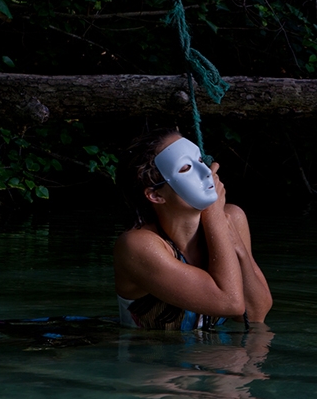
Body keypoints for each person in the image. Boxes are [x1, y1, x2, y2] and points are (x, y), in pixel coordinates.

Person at [114, 128, 273, 331]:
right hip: (148, 351)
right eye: (186, 168)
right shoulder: (138, 245)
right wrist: (214, 214)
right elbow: (230, 303)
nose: (206, 172)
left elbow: (255, 315)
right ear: (156, 195)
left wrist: (237, 246)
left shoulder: (232, 218)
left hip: (217, 350)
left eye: (199, 160)